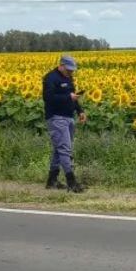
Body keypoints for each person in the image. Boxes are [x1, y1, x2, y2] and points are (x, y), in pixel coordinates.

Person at [42, 55, 87, 192]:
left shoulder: (68, 78)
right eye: (68, 70)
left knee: (59, 149)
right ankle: (71, 182)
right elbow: (48, 98)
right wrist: (68, 97)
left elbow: (73, 96)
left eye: (72, 71)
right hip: (56, 118)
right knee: (65, 149)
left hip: (69, 117)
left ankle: (52, 181)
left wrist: (80, 111)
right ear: (61, 65)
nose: (71, 73)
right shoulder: (50, 78)